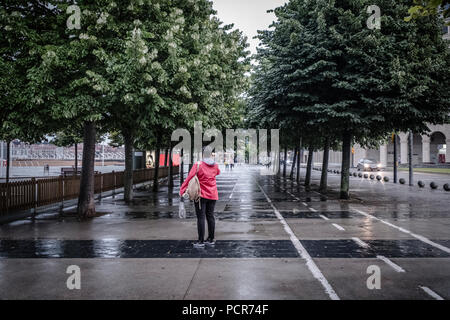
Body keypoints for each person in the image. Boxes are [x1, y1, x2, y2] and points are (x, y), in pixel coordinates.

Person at [180, 149, 220, 248]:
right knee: (210, 216)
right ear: (211, 154)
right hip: (213, 194)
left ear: (202, 154)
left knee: (201, 217)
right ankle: (211, 239)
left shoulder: (198, 165)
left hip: (201, 195)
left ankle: (201, 241)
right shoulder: (215, 165)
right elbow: (217, 173)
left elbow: (189, 178)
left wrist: (182, 190)